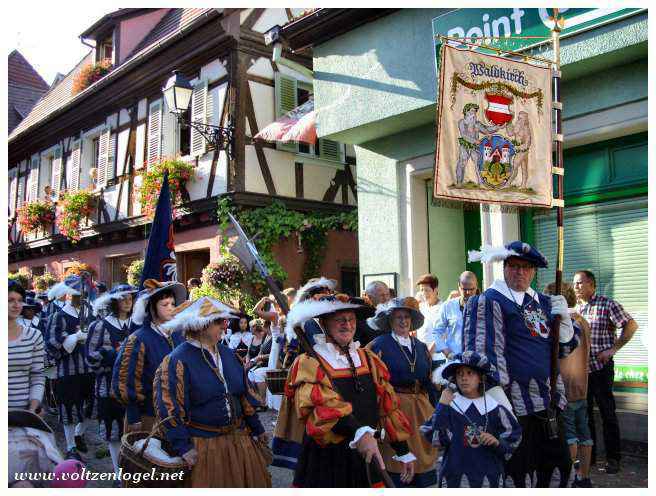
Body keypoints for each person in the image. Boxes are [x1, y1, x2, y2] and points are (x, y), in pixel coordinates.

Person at [465, 241, 579, 487]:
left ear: (534, 271)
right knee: (518, 470)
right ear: (504, 268)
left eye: (527, 267)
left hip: (549, 402)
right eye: (514, 266)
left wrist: (566, 323)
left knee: (554, 467)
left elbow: (565, 350)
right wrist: (500, 403)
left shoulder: (544, 302)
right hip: (513, 405)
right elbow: (481, 356)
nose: (520, 272)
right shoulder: (489, 301)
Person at [277, 293, 416, 487]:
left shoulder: (369, 359)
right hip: (327, 461)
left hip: (366, 456)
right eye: (339, 320)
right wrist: (359, 433)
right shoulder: (309, 364)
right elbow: (322, 410)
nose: (347, 325)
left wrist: (403, 451)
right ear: (324, 324)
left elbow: (387, 406)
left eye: (351, 319)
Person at [154, 297, 271, 487]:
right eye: (219, 321)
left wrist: (257, 428)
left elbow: (242, 396)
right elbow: (169, 409)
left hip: (239, 442)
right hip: (204, 447)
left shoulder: (228, 354)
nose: (225, 326)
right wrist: (184, 447)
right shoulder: (177, 361)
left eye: (224, 321)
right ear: (200, 324)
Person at [421, 352, 522, 487]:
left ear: (480, 378)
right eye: (460, 374)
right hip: (455, 477)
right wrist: (442, 405)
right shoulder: (449, 406)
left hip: (488, 476)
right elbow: (437, 439)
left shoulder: (494, 407)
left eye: (470, 373)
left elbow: (514, 436)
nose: (464, 378)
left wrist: (497, 442)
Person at [368, 297, 438, 487]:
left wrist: (437, 408)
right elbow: (372, 382)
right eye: (398, 317)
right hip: (394, 409)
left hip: (421, 409)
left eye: (406, 316)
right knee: (395, 457)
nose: (403, 321)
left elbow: (428, 381)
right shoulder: (378, 346)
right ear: (390, 320)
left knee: (423, 457)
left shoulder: (421, 347)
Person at [573, 269, 638, 475]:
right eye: (575, 283)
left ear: (592, 285)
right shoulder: (576, 309)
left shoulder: (607, 304)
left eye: (580, 283)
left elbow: (631, 325)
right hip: (582, 371)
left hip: (601, 369)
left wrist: (613, 349)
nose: (576, 287)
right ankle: (588, 458)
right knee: (586, 416)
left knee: (607, 413)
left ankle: (613, 459)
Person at [111, 279, 186, 434]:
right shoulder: (138, 339)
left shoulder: (178, 336)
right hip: (148, 417)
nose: (171, 308)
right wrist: (133, 416)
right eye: (165, 305)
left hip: (178, 415)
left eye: (173, 304)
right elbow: (125, 380)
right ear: (152, 308)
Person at [85, 284, 139, 482]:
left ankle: (134, 472)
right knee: (113, 432)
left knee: (134, 431)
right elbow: (90, 358)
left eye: (130, 298)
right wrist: (111, 356)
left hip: (134, 388)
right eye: (123, 298)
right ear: (114, 301)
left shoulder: (137, 325)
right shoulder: (99, 326)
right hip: (108, 388)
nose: (127, 301)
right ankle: (119, 474)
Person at [545, 282, 593, 487]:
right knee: (585, 434)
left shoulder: (561, 320)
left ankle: (571, 477)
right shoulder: (583, 320)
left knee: (570, 436)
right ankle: (585, 476)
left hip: (565, 385)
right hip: (583, 385)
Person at [44, 275, 95, 460]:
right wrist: (73, 338)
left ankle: (79, 433)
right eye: (75, 294)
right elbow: (51, 344)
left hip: (89, 369)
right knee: (69, 408)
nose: (79, 298)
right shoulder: (57, 316)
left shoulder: (89, 311)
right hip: (67, 371)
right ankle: (71, 447)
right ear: (67, 294)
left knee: (92, 406)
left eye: (82, 294)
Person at [9, 280, 45, 413]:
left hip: (24, 414)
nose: (16, 305)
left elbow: (37, 375)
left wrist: (33, 408)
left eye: (19, 300)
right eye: (10, 300)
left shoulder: (34, 335)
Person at [433, 271, 479, 364]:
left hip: (477, 361)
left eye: (472, 289)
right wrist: (446, 351)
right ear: (458, 286)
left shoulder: (484, 306)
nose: (468, 292)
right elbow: (436, 332)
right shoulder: (447, 306)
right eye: (464, 289)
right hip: (454, 361)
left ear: (477, 286)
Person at [415, 274, 442, 352]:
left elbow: (442, 334)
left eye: (427, 290)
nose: (424, 293)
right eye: (421, 290)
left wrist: (429, 353)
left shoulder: (443, 308)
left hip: (437, 357)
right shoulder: (420, 307)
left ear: (436, 289)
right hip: (421, 354)